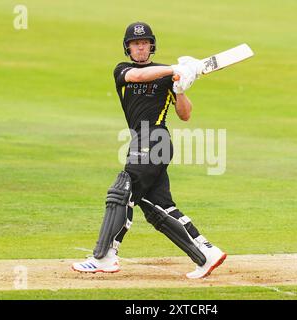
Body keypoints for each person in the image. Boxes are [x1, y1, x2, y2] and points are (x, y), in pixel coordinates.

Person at [72, 22, 226, 279]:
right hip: (140, 139)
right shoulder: (123, 70)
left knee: (122, 191)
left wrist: (180, 89)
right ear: (128, 48)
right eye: (135, 43)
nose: (140, 47)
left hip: (155, 138)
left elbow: (185, 115)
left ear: (151, 45)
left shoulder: (167, 76)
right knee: (158, 206)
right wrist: (176, 68)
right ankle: (206, 253)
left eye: (144, 43)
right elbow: (139, 76)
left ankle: (105, 256)